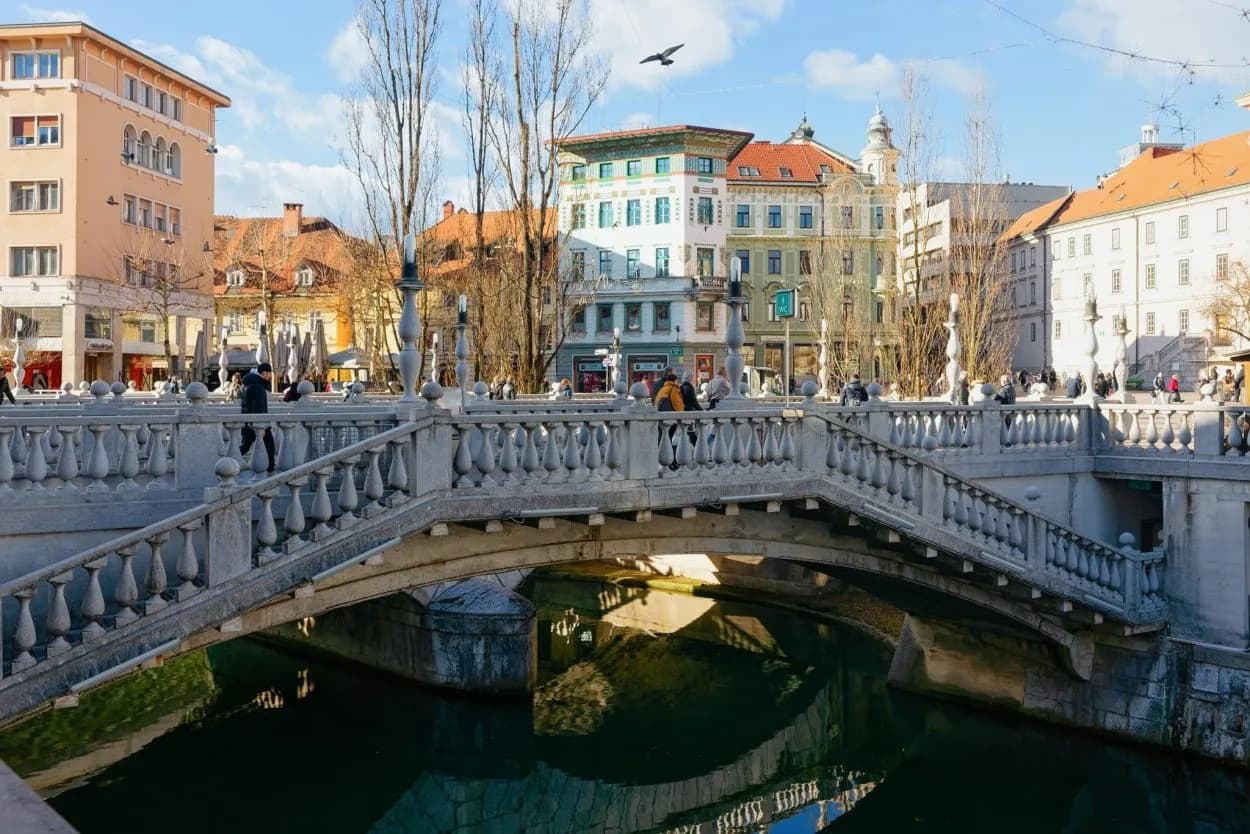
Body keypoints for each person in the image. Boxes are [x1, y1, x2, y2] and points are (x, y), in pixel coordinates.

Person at [239, 363, 276, 473]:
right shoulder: (258, 386)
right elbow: (259, 407)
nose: (270, 376)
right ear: (264, 373)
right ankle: (270, 470)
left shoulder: (249, 384)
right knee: (269, 446)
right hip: (257, 423)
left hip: (248, 421)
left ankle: (228, 460)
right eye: (269, 373)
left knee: (245, 446)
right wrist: (262, 426)